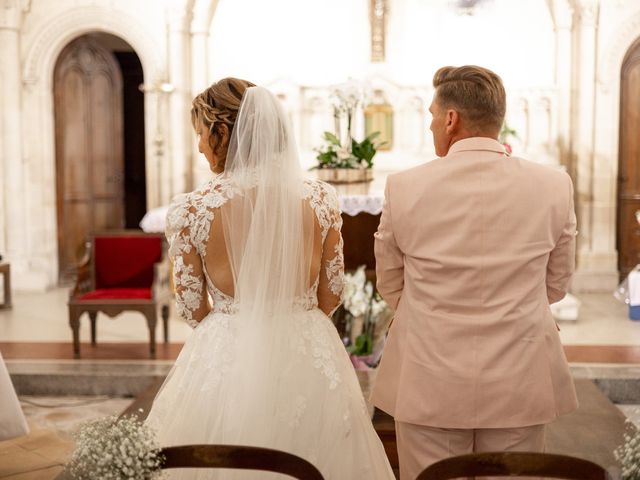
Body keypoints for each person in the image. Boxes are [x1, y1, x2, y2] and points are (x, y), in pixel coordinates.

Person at [145, 78, 395, 479]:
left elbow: (192, 308)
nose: (198, 146)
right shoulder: (320, 198)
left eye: (200, 134)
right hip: (309, 345)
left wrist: (234, 325)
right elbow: (332, 294)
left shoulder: (191, 209)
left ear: (222, 132)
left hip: (226, 346)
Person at [372, 65, 578, 480]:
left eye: (432, 115)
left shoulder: (404, 186)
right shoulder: (553, 185)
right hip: (520, 373)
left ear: (451, 119)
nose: (431, 124)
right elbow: (556, 285)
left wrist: (430, 311)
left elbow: (391, 282)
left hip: (429, 374)